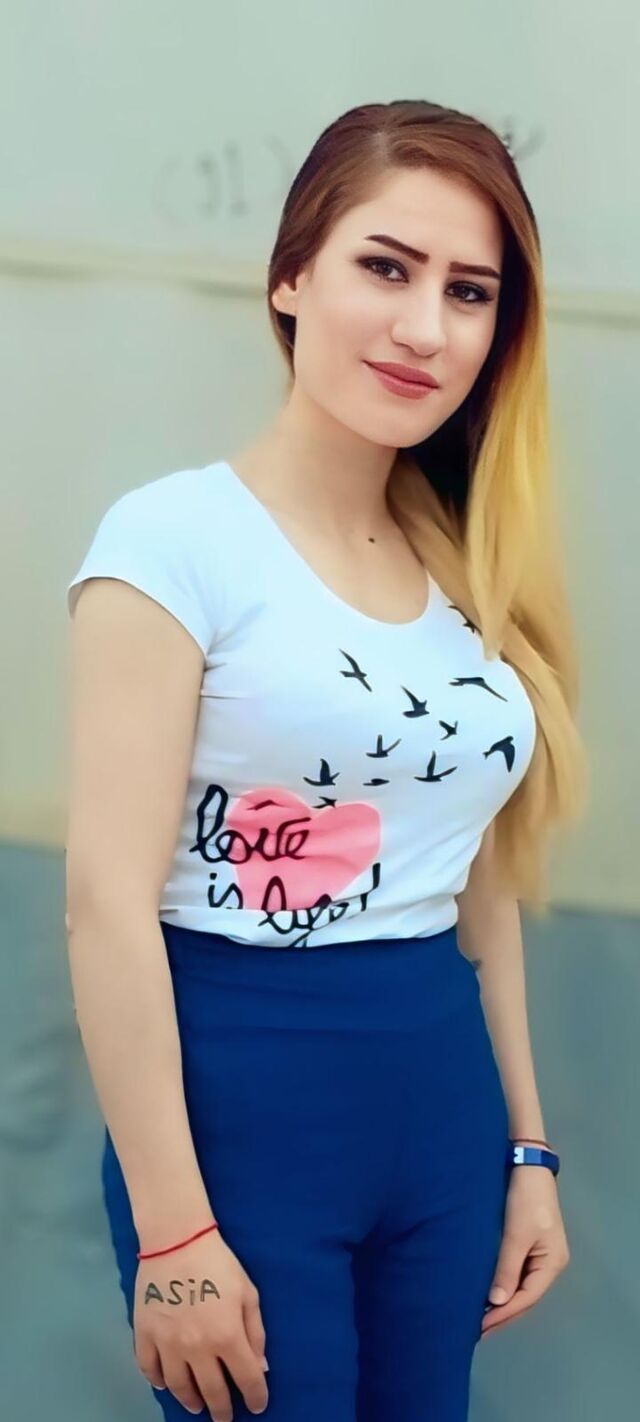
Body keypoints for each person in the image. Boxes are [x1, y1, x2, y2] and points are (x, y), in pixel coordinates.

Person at [65, 100, 588, 1422]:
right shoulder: (173, 543)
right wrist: (178, 1234)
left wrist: (529, 1147)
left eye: (468, 292)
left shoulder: (472, 569)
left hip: (443, 1117)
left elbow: (478, 887)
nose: (424, 327)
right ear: (292, 275)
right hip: (242, 1114)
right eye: (385, 266)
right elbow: (105, 906)